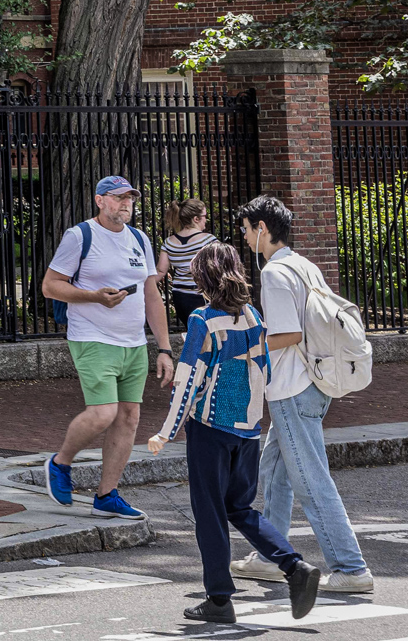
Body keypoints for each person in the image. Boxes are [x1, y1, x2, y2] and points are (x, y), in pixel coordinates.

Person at [146, 242, 322, 625]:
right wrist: (254, 420)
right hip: (248, 430)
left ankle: (220, 600)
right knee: (240, 508)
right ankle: (294, 566)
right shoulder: (253, 317)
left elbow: (188, 380)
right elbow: (265, 372)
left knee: (209, 512)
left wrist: (166, 431)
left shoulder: (203, 320)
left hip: (210, 429)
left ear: (202, 279)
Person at [234, 195, 374, 594]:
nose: (244, 237)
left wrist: (244, 347)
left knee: (311, 481)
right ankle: (268, 556)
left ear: (262, 228)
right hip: (311, 384)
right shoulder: (304, 264)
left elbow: (288, 333)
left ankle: (351, 568)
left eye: (246, 229)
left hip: (292, 388)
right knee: (275, 473)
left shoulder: (275, 273)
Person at [40, 175, 173, 519]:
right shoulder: (80, 236)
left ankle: (107, 494)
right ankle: (59, 462)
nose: (126, 204)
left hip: (133, 342)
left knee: (129, 417)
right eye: (118, 198)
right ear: (100, 201)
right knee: (104, 412)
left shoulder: (139, 239)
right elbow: (50, 286)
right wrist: (93, 297)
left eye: (130, 198)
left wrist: (163, 348)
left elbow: (150, 294)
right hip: (93, 338)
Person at [158, 199, 216, 329]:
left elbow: (161, 271)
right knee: (208, 334)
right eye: (204, 216)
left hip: (179, 296)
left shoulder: (169, 242)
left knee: (192, 331)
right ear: (196, 219)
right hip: (202, 295)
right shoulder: (208, 240)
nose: (206, 220)